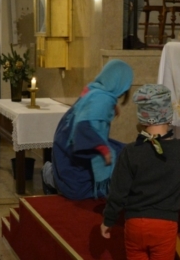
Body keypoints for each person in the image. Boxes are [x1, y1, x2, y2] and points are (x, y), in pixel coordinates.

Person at [100, 84, 180, 260]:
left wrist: (108, 220)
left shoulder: (130, 151)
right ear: (169, 115)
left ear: (142, 119)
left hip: (135, 223)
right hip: (165, 223)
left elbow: (118, 191)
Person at [51, 60, 134, 200]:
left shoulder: (95, 90)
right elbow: (84, 128)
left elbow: (89, 110)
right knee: (118, 165)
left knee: (125, 151)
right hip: (73, 158)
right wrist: (104, 150)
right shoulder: (102, 100)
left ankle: (54, 174)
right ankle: (50, 176)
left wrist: (110, 107)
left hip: (62, 150)